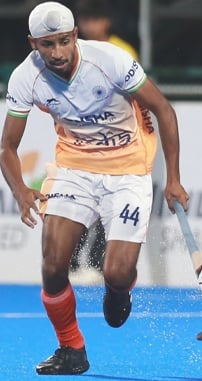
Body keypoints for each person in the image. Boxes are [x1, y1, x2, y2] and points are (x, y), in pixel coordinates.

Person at [0, 1, 189, 375]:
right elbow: (7, 147)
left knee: (116, 273)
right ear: (32, 43)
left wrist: (175, 178)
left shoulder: (111, 60)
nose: (57, 52)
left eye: (64, 41)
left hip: (129, 170)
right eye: (46, 44)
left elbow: (164, 109)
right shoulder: (25, 77)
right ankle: (71, 349)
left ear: (75, 37)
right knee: (53, 265)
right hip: (74, 168)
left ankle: (118, 289)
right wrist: (20, 189)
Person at [68, 0, 140, 274]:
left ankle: (98, 263)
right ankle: (73, 263)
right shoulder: (73, 52)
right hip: (83, 140)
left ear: (106, 22)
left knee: (108, 202)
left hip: (118, 142)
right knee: (78, 200)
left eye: (95, 19)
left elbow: (132, 96)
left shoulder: (123, 51)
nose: (90, 26)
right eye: (85, 20)